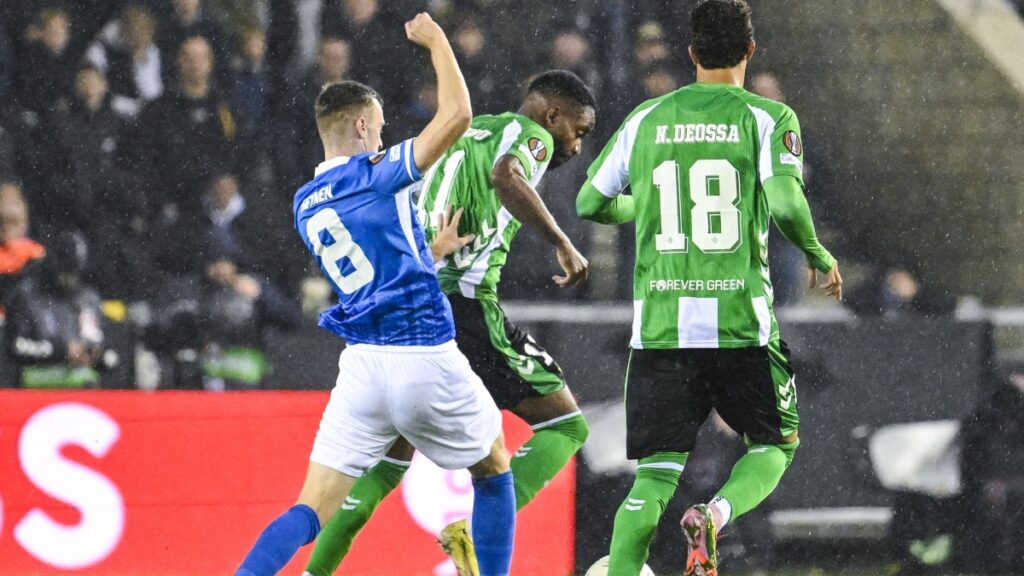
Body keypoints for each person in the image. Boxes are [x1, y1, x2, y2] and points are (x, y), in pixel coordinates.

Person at [234, 14, 516, 576]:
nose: (386, 136)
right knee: (495, 470)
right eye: (382, 127)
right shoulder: (377, 173)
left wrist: (427, 251)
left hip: (361, 368)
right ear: (362, 127)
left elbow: (368, 259)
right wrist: (437, 41)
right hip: (423, 355)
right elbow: (457, 116)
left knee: (308, 509)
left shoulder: (306, 200)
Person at [575, 1, 842, 575]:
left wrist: (642, 206)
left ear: (690, 54)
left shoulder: (646, 119)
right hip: (740, 323)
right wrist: (817, 251)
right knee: (774, 446)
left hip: (662, 328)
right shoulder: (769, 117)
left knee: (652, 476)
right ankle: (716, 514)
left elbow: (589, 202)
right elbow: (790, 201)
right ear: (749, 51)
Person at [304, 69, 596, 576]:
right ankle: (473, 535)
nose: (575, 144)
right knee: (566, 425)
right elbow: (508, 176)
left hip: (417, 306)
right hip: (465, 303)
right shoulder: (533, 137)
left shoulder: (474, 128)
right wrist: (562, 242)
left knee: (384, 467)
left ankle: (315, 571)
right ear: (553, 116)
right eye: (579, 130)